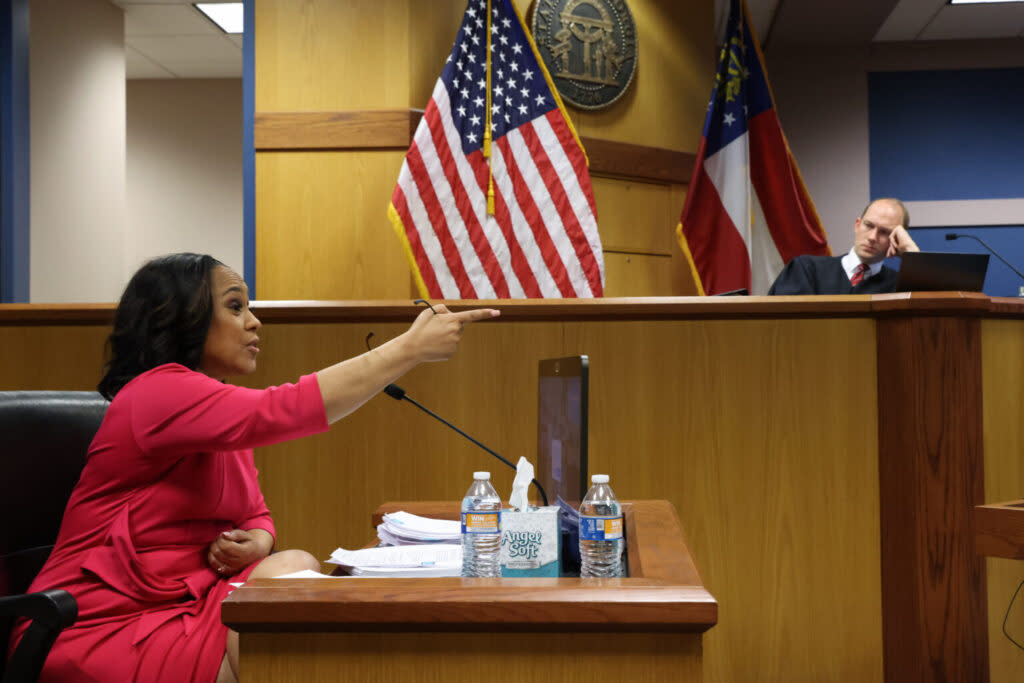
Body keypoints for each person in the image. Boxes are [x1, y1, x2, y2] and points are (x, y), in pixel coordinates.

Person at [7, 253, 499, 683]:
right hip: (103, 625)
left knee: (294, 566)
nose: (255, 321)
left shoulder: (216, 408)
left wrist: (261, 540)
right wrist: (407, 349)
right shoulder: (156, 393)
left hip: (189, 605)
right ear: (180, 318)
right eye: (236, 306)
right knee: (279, 631)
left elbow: (257, 514)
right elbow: (284, 409)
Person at [768, 198, 919, 295]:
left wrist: (913, 254)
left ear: (897, 238)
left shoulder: (901, 288)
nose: (873, 237)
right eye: (868, 226)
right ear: (857, 225)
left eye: (885, 232)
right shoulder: (806, 270)